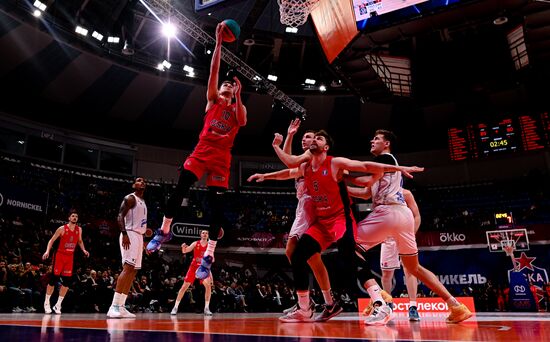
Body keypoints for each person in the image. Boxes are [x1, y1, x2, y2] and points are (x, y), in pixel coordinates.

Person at [248, 130, 422, 322]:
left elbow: (365, 165)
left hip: (340, 219)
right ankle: (305, 309)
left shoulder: (334, 162)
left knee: (347, 255)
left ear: (326, 147)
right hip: (322, 223)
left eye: (319, 138)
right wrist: (265, 176)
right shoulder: (305, 167)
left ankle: (380, 303)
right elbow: (287, 172)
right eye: (313, 138)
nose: (314, 140)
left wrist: (399, 168)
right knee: (297, 254)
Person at [148, 22, 247, 282]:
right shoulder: (213, 100)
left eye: (229, 85)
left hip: (221, 160)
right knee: (181, 187)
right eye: (224, 85)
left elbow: (243, 120)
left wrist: (239, 95)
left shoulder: (236, 110)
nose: (226, 86)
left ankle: (209, 256)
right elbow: (214, 71)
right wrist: (217, 43)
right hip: (202, 152)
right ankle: (164, 230)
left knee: (217, 210)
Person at [351, 129, 472, 325]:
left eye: (377, 139)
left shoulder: (386, 158)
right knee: (414, 267)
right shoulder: (383, 169)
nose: (372, 141)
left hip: (388, 213)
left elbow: (362, 177)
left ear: (387, 143)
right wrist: (341, 188)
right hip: (401, 216)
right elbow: (365, 193)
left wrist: (337, 177)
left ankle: (381, 299)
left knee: (348, 245)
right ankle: (456, 306)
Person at [249, 119, 340, 321]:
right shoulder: (306, 159)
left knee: (293, 250)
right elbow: (289, 164)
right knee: (312, 258)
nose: (305, 139)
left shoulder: (311, 156)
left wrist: (276, 146)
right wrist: (290, 135)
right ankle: (324, 301)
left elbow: (289, 162)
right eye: (304, 137)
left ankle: (306, 303)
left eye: (309, 137)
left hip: (311, 204)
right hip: (305, 204)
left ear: (317, 141)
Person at [349, 186, 422, 321]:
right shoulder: (380, 192)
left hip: (404, 234)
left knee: (410, 270)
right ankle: (387, 305)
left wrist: (411, 234)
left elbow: (417, 216)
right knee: (387, 273)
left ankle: (413, 307)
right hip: (387, 238)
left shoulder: (405, 193)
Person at [107, 177, 148, 318]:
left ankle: (122, 306)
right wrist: (124, 233)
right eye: (139, 180)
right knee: (127, 268)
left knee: (134, 271)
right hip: (129, 233)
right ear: (133, 185)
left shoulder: (142, 201)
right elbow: (120, 216)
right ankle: (114, 306)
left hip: (138, 236)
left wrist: (142, 241)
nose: (142, 182)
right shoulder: (130, 198)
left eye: (143, 181)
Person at [42, 210, 89, 314]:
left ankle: (58, 305)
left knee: (67, 282)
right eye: (73, 216)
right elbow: (51, 240)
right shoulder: (62, 229)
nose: (75, 218)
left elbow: (80, 241)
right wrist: (47, 251)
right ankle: (46, 302)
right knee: (54, 279)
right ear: (69, 218)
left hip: (70, 257)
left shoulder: (79, 229)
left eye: (76, 216)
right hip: (59, 256)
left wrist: (84, 250)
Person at [171, 230, 214, 316]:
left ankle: (206, 308)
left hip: (203, 268)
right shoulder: (195, 243)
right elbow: (185, 251)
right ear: (200, 235)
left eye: (206, 233)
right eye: (203, 233)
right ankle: (175, 307)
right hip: (193, 267)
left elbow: (212, 259)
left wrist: (210, 273)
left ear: (208, 235)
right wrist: (183, 247)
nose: (205, 234)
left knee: (208, 286)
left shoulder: (210, 246)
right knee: (184, 287)